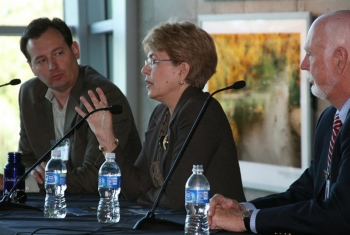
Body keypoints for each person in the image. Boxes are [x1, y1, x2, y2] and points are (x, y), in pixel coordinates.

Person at [75, 19, 246, 210]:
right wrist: (106, 139)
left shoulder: (201, 111)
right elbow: (136, 186)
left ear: (182, 70)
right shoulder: (161, 114)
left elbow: (177, 197)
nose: (144, 69)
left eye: (153, 61)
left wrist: (143, 196)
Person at [207, 10, 350, 235]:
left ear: (339, 60)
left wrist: (246, 221)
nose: (303, 65)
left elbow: (341, 214)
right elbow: (304, 193)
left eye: (310, 54)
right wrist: (244, 209)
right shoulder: (330, 119)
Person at [0, 17, 142, 194]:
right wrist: (32, 172)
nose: (52, 66)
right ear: (31, 67)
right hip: (55, 204)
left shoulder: (101, 95)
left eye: (58, 53)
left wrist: (43, 180)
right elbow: (27, 158)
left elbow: (94, 178)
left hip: (108, 206)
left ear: (75, 50)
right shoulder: (29, 93)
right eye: (41, 60)